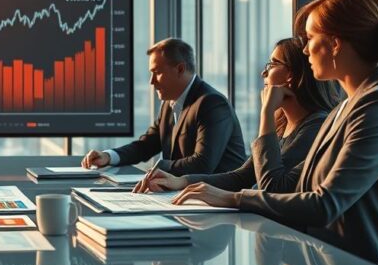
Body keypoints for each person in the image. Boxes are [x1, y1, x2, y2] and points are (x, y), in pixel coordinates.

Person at [169, 0, 378, 265]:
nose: (305, 49)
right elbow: (298, 191)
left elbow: (324, 205)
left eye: (310, 38)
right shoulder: (345, 108)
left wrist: (234, 198)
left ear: (335, 44)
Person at [140, 37, 341, 194]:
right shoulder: (282, 125)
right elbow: (242, 177)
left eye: (272, 64)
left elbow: (272, 187)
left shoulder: (315, 127)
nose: (263, 73)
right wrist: (180, 181)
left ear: (291, 75)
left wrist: (266, 112)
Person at [81, 37, 246, 175]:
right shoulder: (169, 104)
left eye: (157, 72)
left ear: (180, 69)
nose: (151, 81)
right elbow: (146, 146)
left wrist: (158, 168)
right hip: (184, 193)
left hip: (218, 199)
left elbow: (202, 164)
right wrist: (109, 156)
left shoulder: (211, 103)